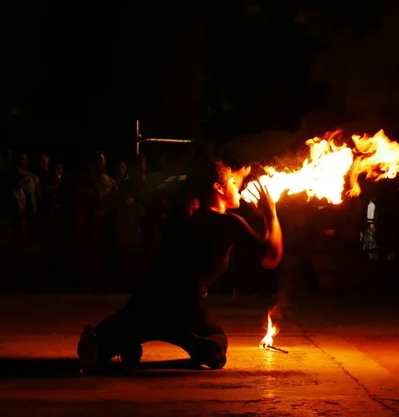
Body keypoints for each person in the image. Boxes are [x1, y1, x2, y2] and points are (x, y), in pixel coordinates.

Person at [77, 159, 283, 371]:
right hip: (186, 308)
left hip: (148, 300)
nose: (237, 186)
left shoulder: (184, 217)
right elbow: (271, 257)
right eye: (232, 181)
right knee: (218, 346)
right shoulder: (228, 223)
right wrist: (271, 213)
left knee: (96, 344)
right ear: (218, 187)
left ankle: (143, 334)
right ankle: (178, 335)